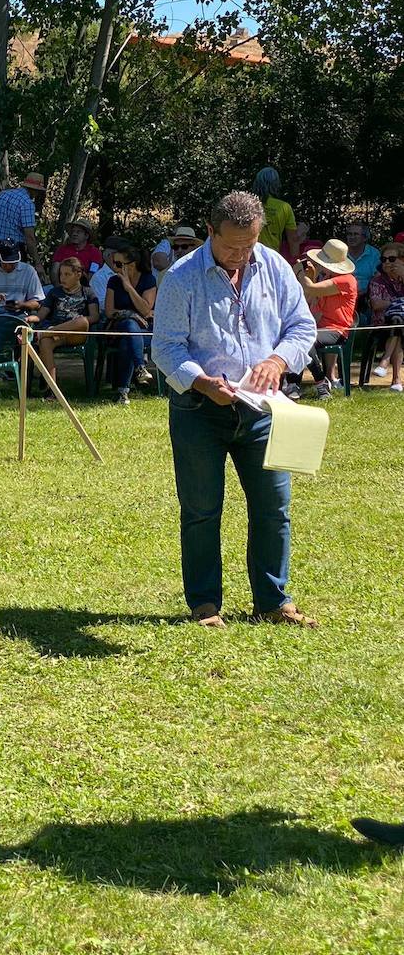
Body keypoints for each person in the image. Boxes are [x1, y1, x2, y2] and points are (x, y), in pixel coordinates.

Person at [152, 190, 317, 630]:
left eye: (250, 244)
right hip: (198, 410)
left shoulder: (275, 267)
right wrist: (203, 382)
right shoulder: (182, 278)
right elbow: (165, 347)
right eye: (232, 246)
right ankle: (205, 605)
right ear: (210, 232)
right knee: (202, 510)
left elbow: (302, 326)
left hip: (263, 411)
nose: (242, 254)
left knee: (273, 507)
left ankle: (273, 600)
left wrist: (278, 359)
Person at [283, 239, 358, 399]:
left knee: (304, 339)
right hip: (317, 328)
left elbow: (311, 289)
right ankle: (296, 384)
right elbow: (307, 300)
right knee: (296, 338)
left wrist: (300, 274)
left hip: (336, 331)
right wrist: (310, 276)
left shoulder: (346, 280)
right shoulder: (326, 279)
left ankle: (316, 382)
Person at [33, 256, 99, 397]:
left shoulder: (88, 292)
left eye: (67, 274)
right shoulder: (54, 292)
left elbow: (95, 317)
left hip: (76, 333)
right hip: (55, 334)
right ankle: (52, 389)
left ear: (78, 275)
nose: (62, 278)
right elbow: (41, 315)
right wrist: (28, 319)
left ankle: (44, 333)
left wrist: (76, 323)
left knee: (82, 321)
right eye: (61, 274)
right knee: (45, 342)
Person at [103, 244, 158, 405]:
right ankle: (140, 367)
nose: (114, 267)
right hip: (117, 328)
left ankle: (123, 393)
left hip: (144, 331)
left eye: (118, 264)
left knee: (128, 340)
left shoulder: (148, 279)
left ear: (131, 265)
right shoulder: (113, 281)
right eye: (114, 263)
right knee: (129, 323)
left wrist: (129, 288)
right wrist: (131, 314)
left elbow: (146, 309)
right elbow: (109, 311)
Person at [0, 172, 44, 268]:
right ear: (35, 190)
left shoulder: (3, 194)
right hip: (13, 251)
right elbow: (29, 236)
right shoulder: (27, 203)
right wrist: (37, 263)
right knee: (14, 280)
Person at [367, 243, 404, 391]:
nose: (387, 263)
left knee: (399, 322)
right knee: (397, 321)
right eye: (384, 259)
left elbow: (383, 303)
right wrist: (399, 302)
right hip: (382, 325)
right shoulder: (377, 281)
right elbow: (376, 304)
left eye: (392, 259)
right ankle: (396, 380)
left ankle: (385, 360)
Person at [250, 167, 296, 253]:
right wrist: (296, 262)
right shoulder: (285, 207)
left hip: (251, 254)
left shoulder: (249, 204)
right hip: (273, 256)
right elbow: (293, 240)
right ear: (276, 184)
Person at [50, 217, 103, 282]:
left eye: (78, 232)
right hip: (61, 285)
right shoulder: (62, 249)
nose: (74, 234)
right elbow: (54, 271)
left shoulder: (95, 252)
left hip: (85, 287)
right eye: (73, 231)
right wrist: (58, 288)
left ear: (86, 236)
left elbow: (92, 275)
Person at [344, 222, 381, 302]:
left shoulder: (374, 254)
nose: (352, 237)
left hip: (367, 298)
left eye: (356, 234)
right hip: (342, 297)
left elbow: (378, 279)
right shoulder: (340, 252)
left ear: (364, 238)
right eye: (349, 234)